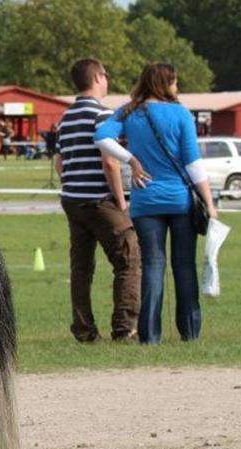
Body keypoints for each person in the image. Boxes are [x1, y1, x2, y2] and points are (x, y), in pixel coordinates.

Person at [95, 62, 218, 345]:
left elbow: (100, 137)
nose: (177, 87)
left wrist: (132, 160)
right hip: (180, 200)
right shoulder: (180, 114)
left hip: (146, 199)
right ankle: (190, 331)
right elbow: (192, 163)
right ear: (166, 83)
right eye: (174, 81)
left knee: (152, 266)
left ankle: (150, 336)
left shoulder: (130, 111)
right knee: (184, 266)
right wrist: (209, 203)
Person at [55, 58, 141, 343]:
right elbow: (110, 162)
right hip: (100, 200)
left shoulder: (66, 117)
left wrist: (70, 185)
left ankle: (84, 330)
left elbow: (59, 161)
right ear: (98, 78)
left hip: (72, 199)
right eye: (106, 75)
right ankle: (124, 327)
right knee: (128, 259)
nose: (108, 80)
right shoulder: (103, 115)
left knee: (81, 269)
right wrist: (121, 200)